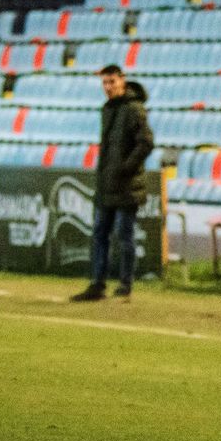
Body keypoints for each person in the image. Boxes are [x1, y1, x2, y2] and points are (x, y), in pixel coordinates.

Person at [72, 64, 154, 302]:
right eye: (105, 83)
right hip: (107, 183)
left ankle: (125, 284)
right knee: (100, 233)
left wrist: (126, 168)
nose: (108, 87)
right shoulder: (108, 109)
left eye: (112, 82)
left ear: (122, 81)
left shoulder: (134, 109)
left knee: (124, 235)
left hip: (127, 185)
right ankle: (97, 283)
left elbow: (146, 142)